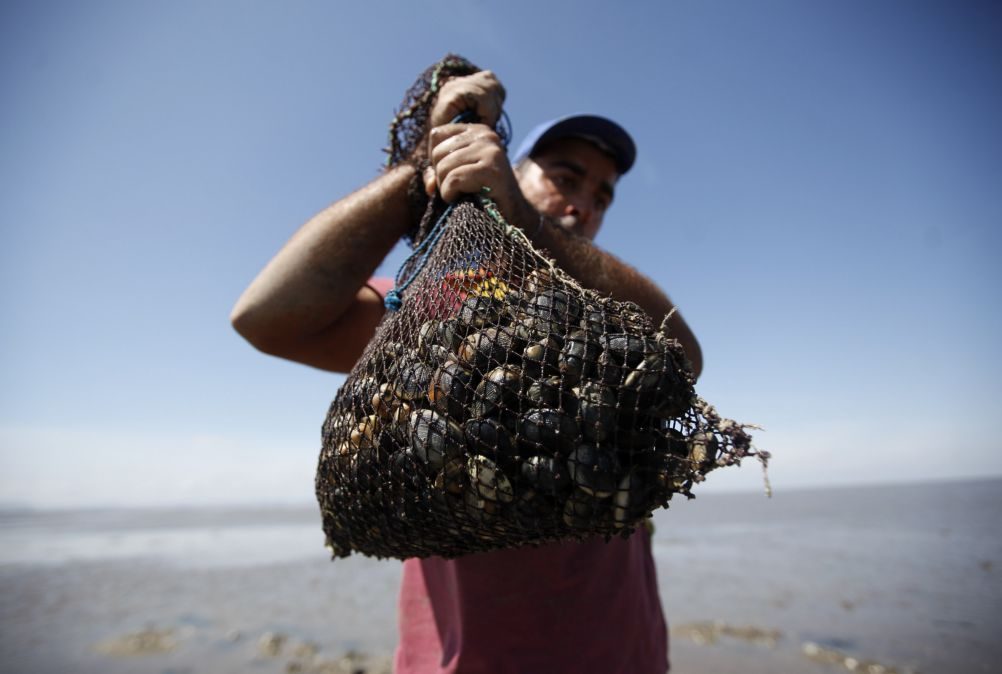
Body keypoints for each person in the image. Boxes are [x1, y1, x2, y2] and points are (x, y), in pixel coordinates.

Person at [231, 69, 702, 674]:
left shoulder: (604, 323)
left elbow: (683, 356)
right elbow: (264, 316)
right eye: (565, 177)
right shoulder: (434, 310)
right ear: (513, 167)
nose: (583, 204)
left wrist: (526, 222)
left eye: (602, 195)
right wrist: (424, 162)